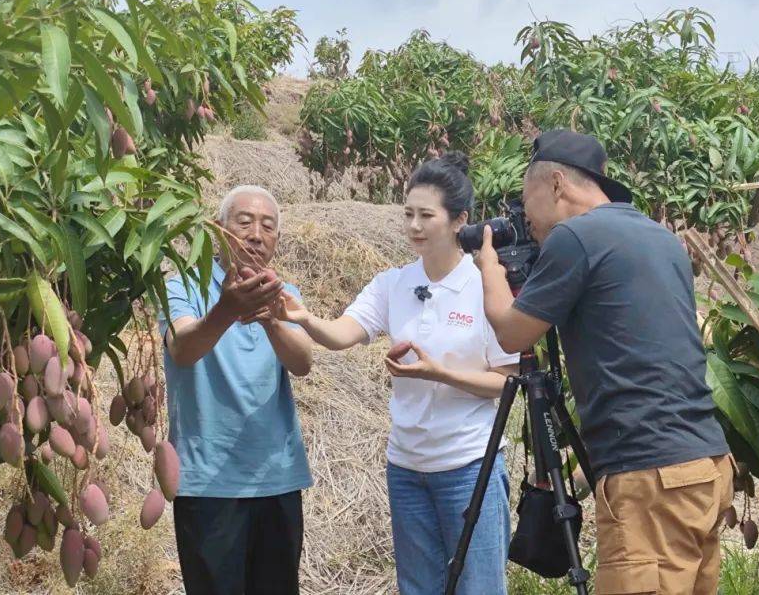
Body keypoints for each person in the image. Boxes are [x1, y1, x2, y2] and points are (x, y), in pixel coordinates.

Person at [476, 130, 734, 595]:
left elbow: (512, 333)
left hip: (652, 479)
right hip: (708, 465)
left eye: (525, 201)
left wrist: (490, 269)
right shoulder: (660, 238)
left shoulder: (576, 237)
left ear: (556, 184)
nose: (526, 220)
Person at [271, 152, 519, 595]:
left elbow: (506, 381)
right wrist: (304, 318)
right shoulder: (394, 283)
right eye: (408, 214)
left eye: (427, 215)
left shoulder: (485, 286)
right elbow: (342, 334)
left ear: (460, 220)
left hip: (469, 466)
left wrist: (439, 373)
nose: (414, 226)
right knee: (418, 588)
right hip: (406, 467)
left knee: (479, 588)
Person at [160, 184, 314, 595]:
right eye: (244, 222)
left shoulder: (286, 295)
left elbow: (302, 363)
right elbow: (183, 349)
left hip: (276, 478)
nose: (256, 235)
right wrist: (226, 310)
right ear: (218, 229)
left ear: (277, 240)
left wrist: (270, 319)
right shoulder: (183, 287)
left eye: (268, 227)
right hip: (208, 482)